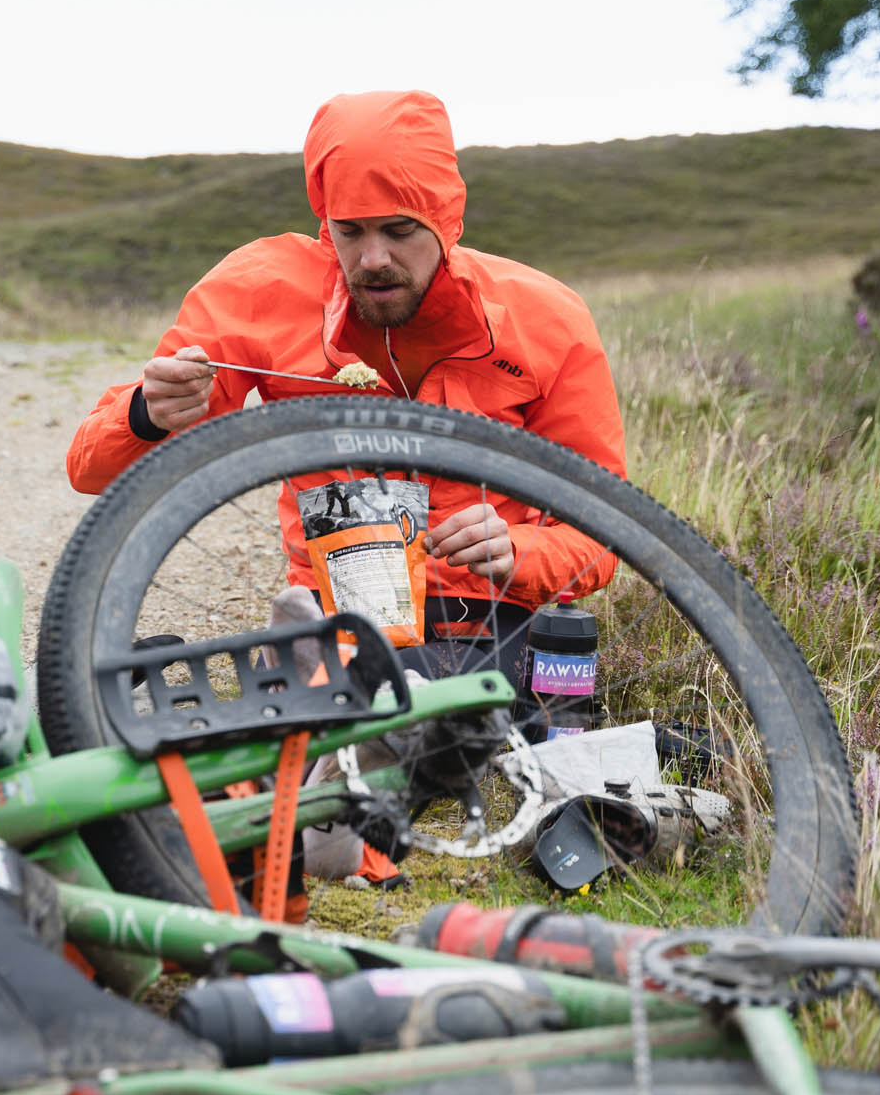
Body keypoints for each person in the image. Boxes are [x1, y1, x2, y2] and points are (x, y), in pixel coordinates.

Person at [65, 88, 628, 882]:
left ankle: (333, 806)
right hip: (335, 620)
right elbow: (90, 470)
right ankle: (284, 799)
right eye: (349, 232)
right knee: (292, 716)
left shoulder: (547, 320)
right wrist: (147, 413)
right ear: (322, 220)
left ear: (446, 222)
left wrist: (523, 547)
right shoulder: (260, 291)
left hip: (487, 623)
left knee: (447, 719)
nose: (372, 260)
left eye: (400, 232)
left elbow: (609, 532)